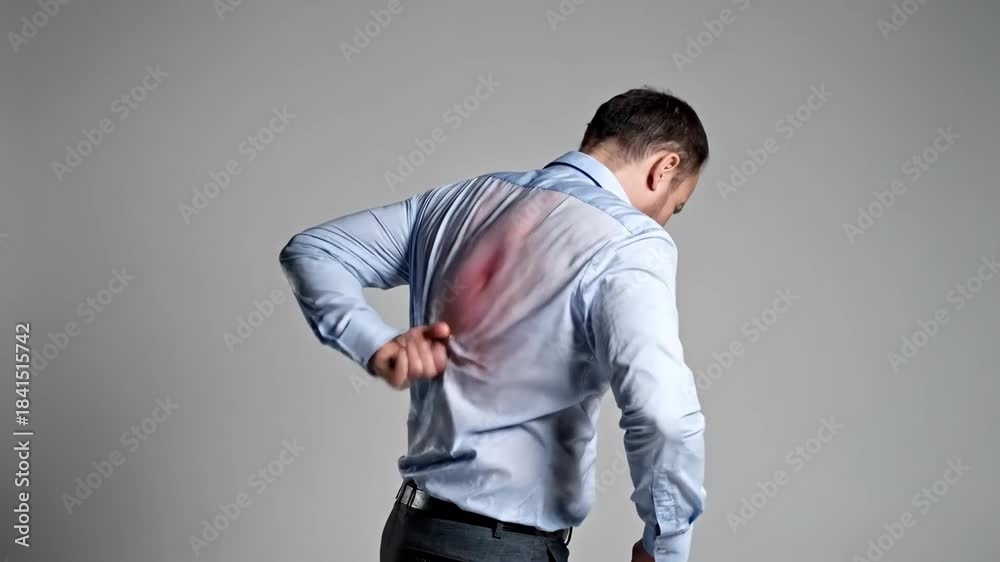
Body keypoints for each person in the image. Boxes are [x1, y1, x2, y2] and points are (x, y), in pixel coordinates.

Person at [279, 87, 708, 562]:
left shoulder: (456, 201)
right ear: (664, 167)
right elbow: (663, 413)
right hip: (503, 549)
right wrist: (665, 547)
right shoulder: (631, 242)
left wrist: (375, 342)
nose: (665, 220)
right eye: (676, 206)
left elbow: (315, 250)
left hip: (411, 533)